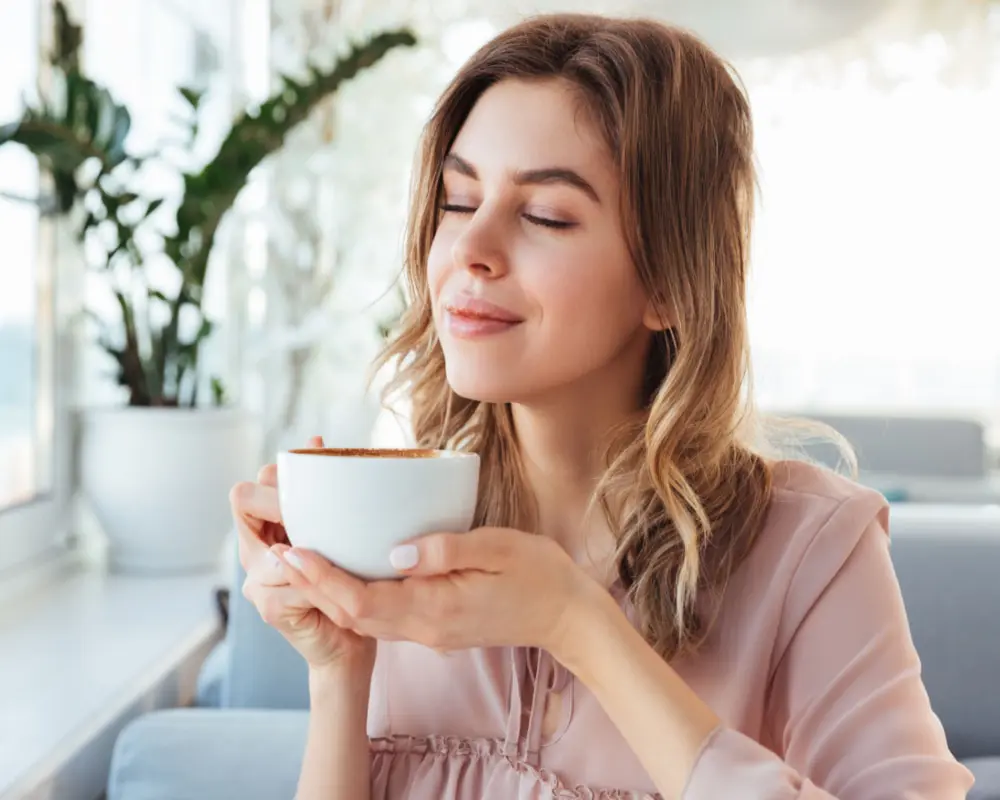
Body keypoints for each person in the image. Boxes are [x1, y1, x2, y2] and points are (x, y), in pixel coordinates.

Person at [230, 13, 975, 800]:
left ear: (667, 282)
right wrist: (339, 672)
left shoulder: (811, 552)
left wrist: (577, 625)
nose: (469, 249)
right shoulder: (399, 530)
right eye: (456, 200)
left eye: (546, 215)